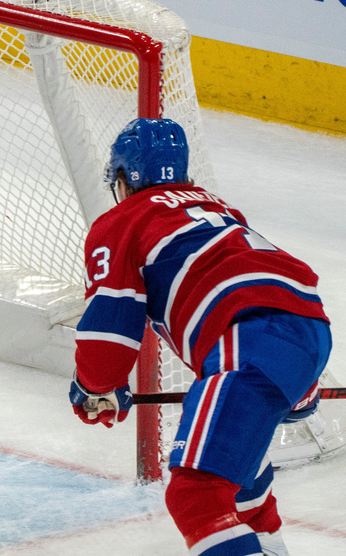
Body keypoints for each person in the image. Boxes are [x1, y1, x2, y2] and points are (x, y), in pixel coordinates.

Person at [68, 118, 330, 555]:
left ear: (123, 178)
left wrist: (95, 386)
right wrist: (298, 387)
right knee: (241, 483)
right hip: (307, 328)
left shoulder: (123, 219)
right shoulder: (220, 210)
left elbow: (111, 327)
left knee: (196, 494)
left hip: (246, 338)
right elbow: (272, 288)